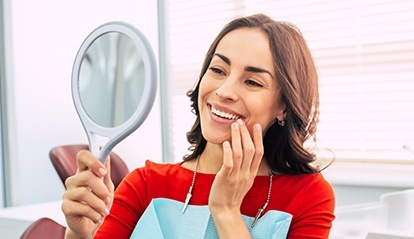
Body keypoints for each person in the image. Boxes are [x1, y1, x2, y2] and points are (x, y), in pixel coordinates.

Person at [62, 13, 335, 239]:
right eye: (218, 70)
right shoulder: (144, 185)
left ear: (283, 107)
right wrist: (80, 235)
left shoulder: (309, 197)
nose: (225, 91)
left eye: (252, 82)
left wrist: (226, 210)